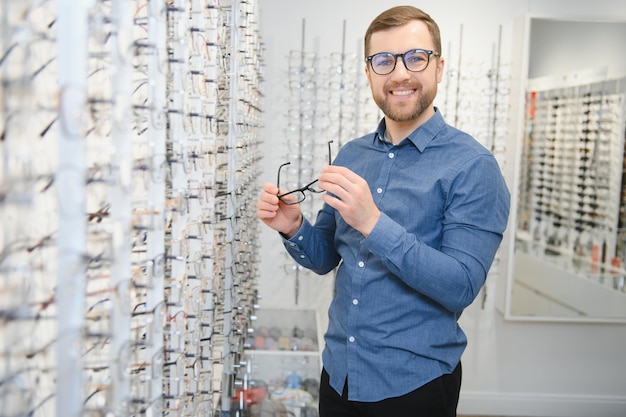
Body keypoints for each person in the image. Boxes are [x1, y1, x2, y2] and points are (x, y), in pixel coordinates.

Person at [256, 5, 510, 417]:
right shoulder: (352, 155)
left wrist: (373, 223)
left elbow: (461, 285)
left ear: (439, 67)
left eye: (415, 57)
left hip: (415, 386)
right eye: (384, 60)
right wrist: (293, 226)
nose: (399, 74)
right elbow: (326, 257)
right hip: (339, 375)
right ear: (369, 71)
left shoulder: (474, 167)